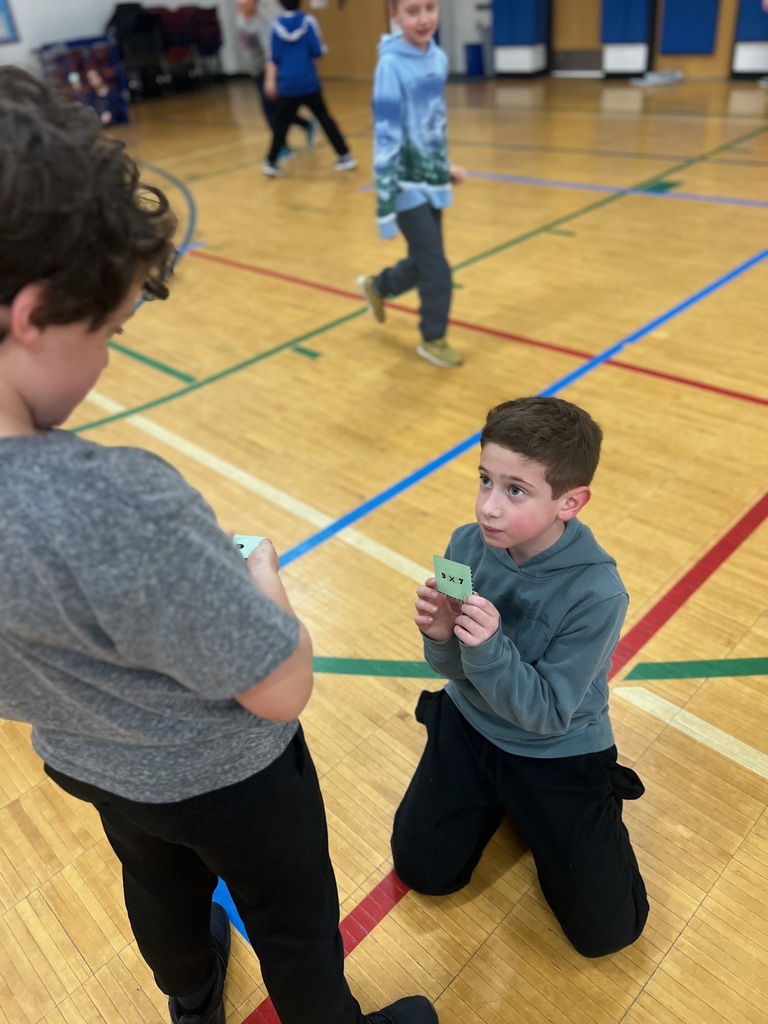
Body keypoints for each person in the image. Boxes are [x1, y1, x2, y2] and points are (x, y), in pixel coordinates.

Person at [0, 66, 436, 1024]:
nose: (109, 355)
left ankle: (190, 1000)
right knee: (291, 918)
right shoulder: (120, 503)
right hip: (227, 781)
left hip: (87, 760)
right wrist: (263, 582)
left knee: (156, 883)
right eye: (108, 329)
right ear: (30, 317)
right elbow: (278, 687)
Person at [393, 397, 649, 958]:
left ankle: (590, 804)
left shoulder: (598, 593)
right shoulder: (464, 544)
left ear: (570, 502)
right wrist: (440, 637)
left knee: (608, 933)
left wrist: (488, 648)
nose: (488, 507)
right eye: (485, 480)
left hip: (553, 747)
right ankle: (496, 791)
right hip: (471, 722)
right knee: (423, 870)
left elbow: (548, 714)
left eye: (515, 490)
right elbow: (450, 670)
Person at [357, 0, 465, 370]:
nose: (423, 19)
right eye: (412, 11)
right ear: (395, 16)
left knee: (425, 257)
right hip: (402, 181)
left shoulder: (437, 58)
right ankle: (433, 338)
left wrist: (443, 166)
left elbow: (432, 123)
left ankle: (380, 286)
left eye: (430, 8)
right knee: (437, 268)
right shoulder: (390, 65)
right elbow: (386, 135)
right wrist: (386, 201)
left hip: (429, 176)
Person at [262, 0, 356, 177]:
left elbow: (273, 57)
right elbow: (317, 51)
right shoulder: (309, 22)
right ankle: (345, 155)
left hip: (288, 85)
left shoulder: (275, 27)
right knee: (325, 119)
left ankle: (271, 162)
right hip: (309, 82)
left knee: (281, 124)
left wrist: (271, 81)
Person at [235, 0, 315, 159]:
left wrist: (270, 80)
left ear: (254, 3)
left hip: (266, 72)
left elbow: (270, 54)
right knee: (279, 110)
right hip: (255, 71)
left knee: (272, 111)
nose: (240, 2)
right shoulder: (240, 19)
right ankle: (305, 124)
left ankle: (283, 147)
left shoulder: (262, 25)